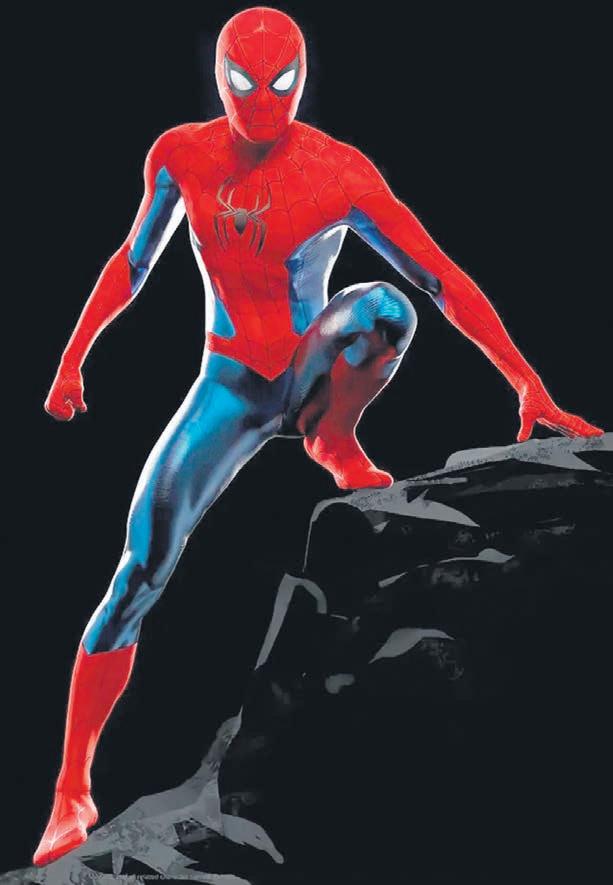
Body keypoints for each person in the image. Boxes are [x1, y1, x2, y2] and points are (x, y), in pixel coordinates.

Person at [34, 5, 602, 866]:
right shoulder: (180, 153)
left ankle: (330, 435)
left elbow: (439, 277)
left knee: (385, 306)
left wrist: (528, 382)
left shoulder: (338, 170)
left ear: (303, 79)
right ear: (217, 77)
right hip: (226, 386)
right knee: (138, 568)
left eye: (280, 84)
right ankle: (70, 789)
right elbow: (133, 259)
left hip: (306, 373)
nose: (262, 103)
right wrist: (72, 359)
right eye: (243, 83)